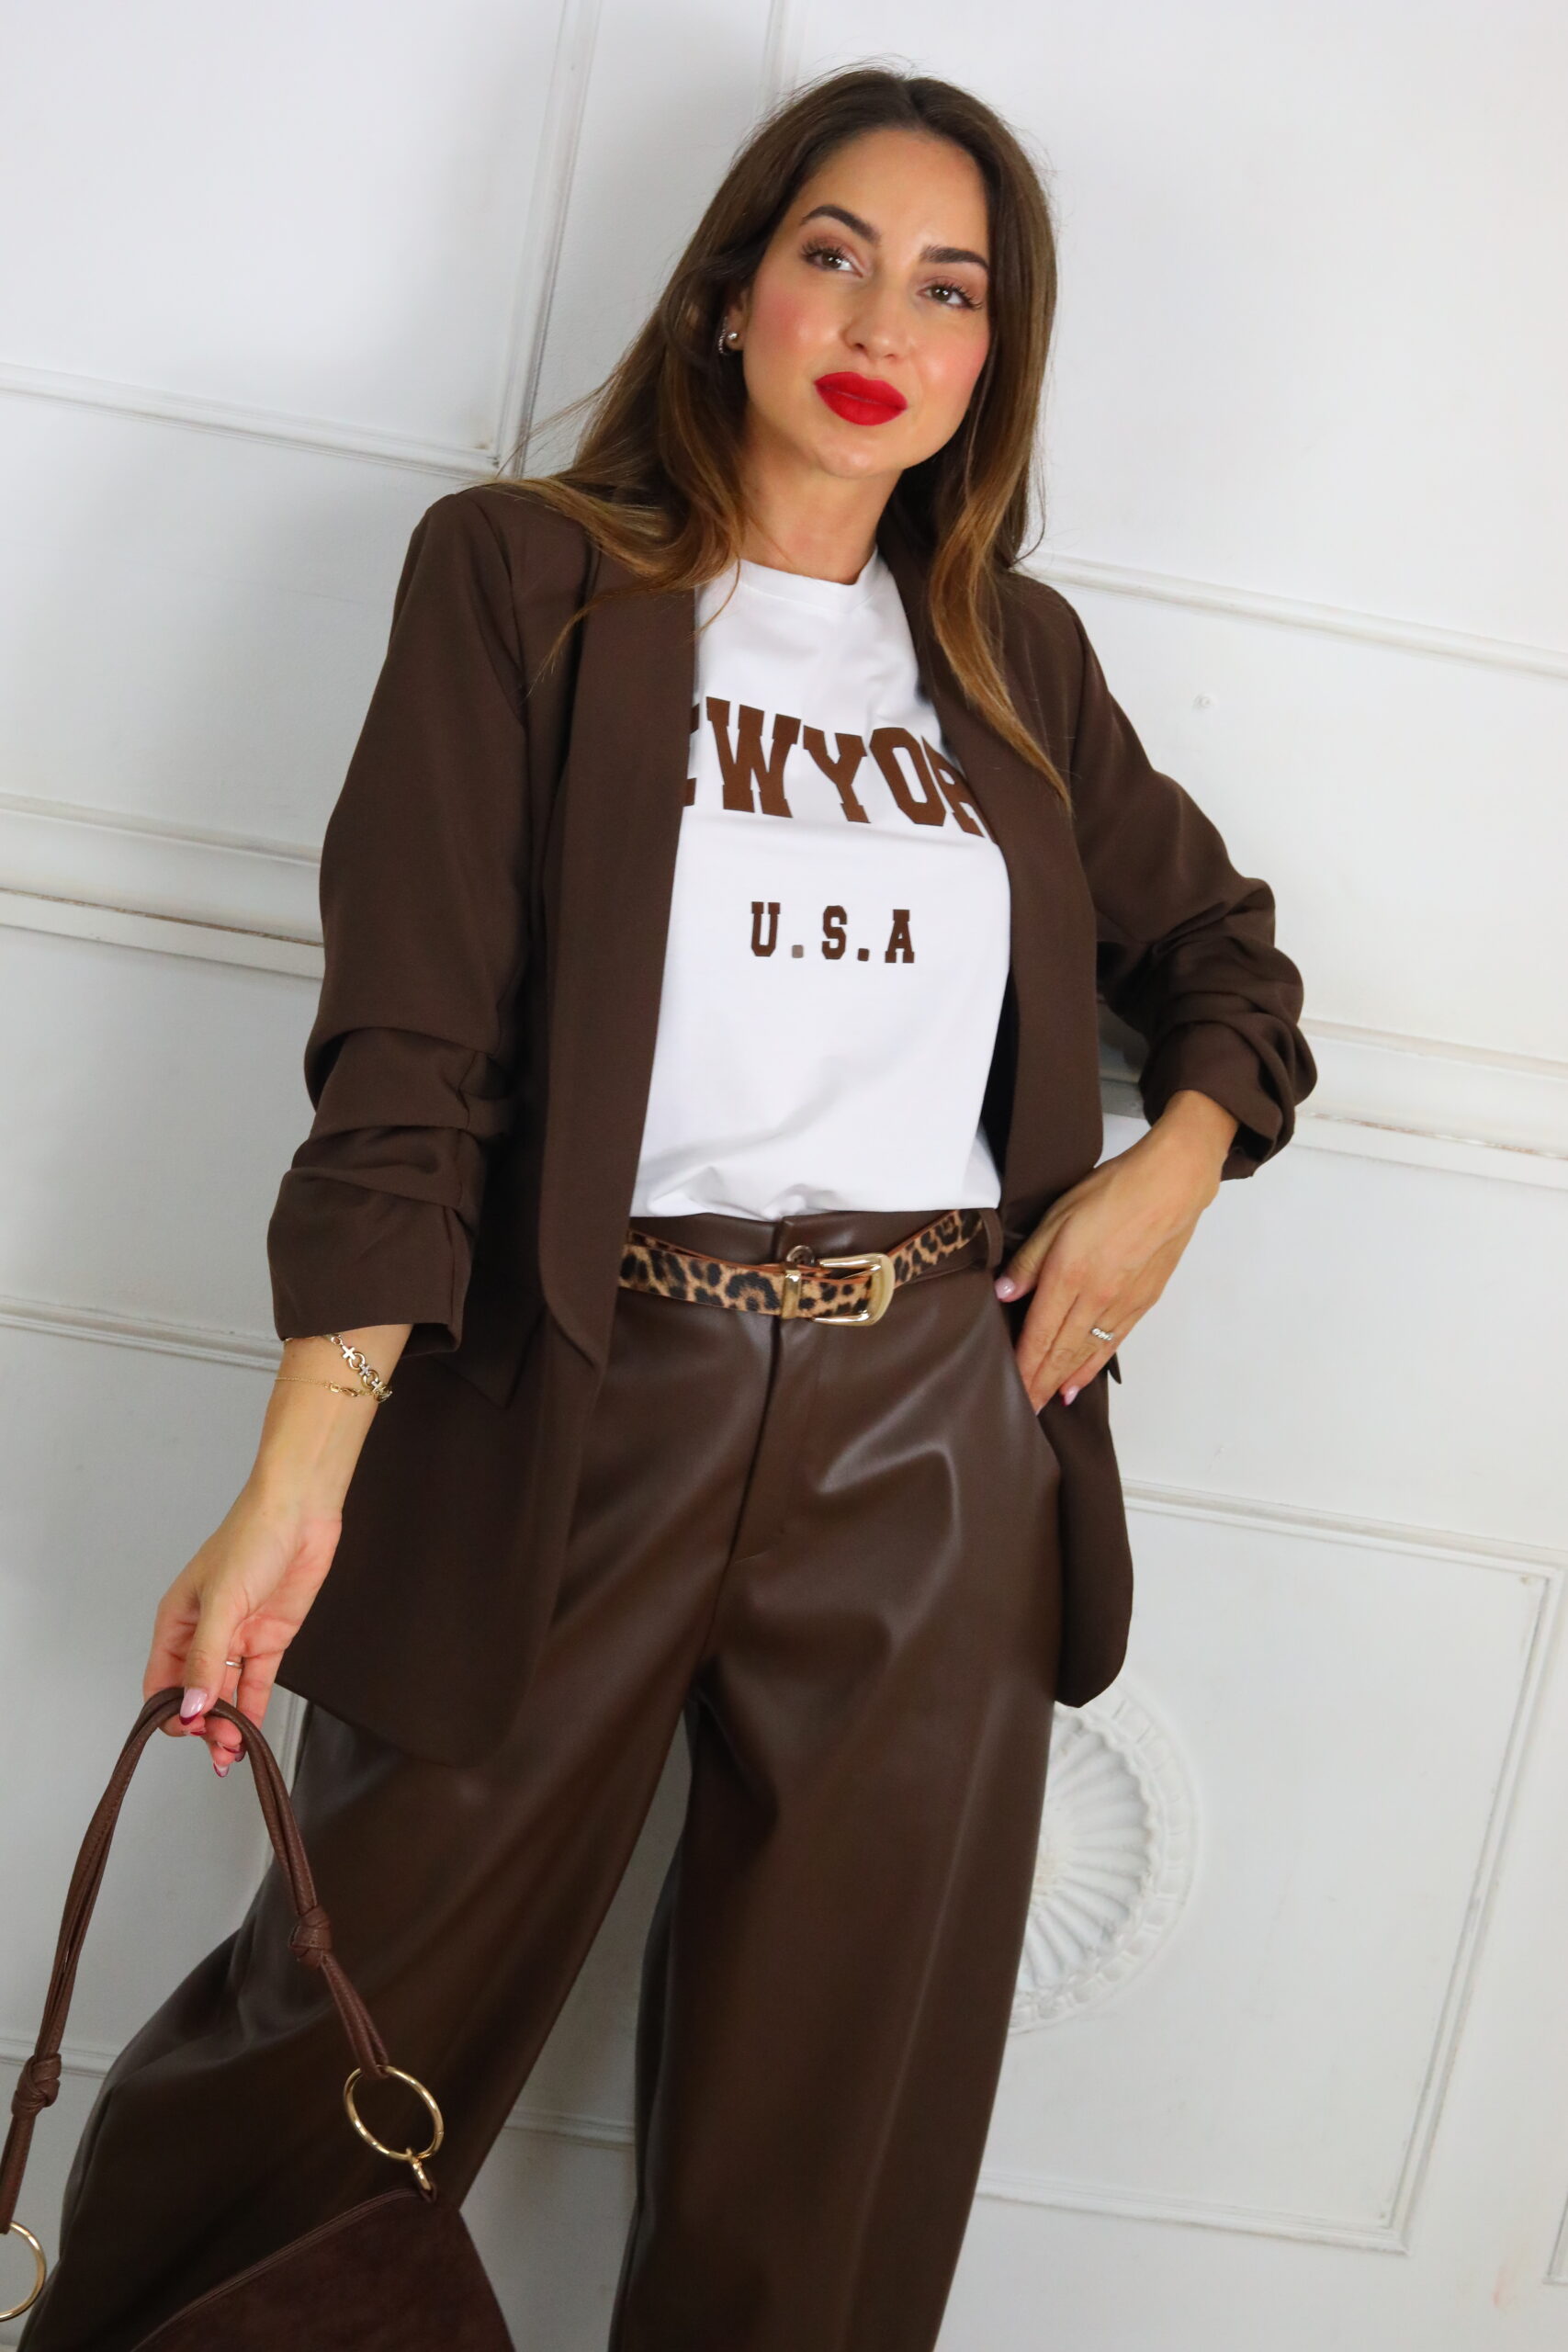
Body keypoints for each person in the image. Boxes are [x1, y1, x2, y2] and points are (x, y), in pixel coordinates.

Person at [11, 63, 1316, 2352]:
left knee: (824, 2156)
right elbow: (408, 1055)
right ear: (729, 290)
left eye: (948, 288)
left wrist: (1167, 1173)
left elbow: (1228, 967)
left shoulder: (1009, 657)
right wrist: (296, 1480)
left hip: (935, 1428)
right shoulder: (523, 581)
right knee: (330, 2050)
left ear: (990, 358)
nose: (881, 322)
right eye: (832, 253)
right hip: (586, 1392)